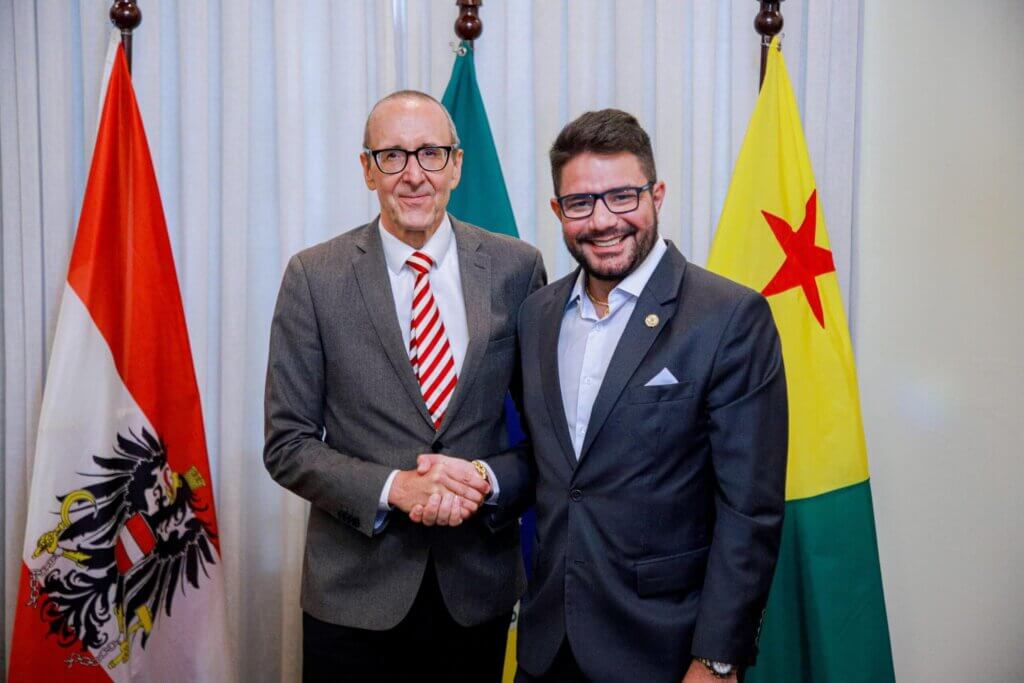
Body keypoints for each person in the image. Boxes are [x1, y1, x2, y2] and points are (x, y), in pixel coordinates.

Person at [264, 90, 546, 682]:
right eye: (393, 156)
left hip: (477, 590)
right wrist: (395, 488)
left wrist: (483, 481)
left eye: (431, 154)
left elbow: (546, 437)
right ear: (367, 169)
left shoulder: (517, 267)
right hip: (353, 597)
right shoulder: (314, 277)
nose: (414, 175)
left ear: (457, 163)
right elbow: (287, 444)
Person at [511, 109, 788, 682]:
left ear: (656, 194)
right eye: (582, 203)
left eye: (623, 197)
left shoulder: (730, 317)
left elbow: (750, 510)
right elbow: (552, 467)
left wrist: (717, 658)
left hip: (665, 650)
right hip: (548, 646)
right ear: (558, 212)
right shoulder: (536, 315)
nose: (604, 220)